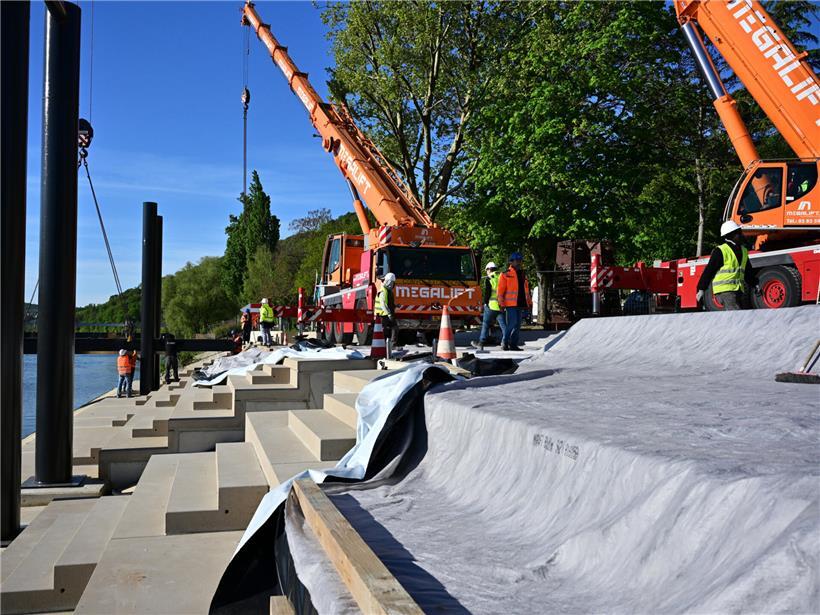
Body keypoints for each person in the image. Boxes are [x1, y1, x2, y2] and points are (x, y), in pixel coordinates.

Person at [697, 220, 758, 310]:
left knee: (741, 315)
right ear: (730, 235)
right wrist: (701, 289)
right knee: (735, 315)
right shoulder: (720, 251)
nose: (741, 235)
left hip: (738, 290)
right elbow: (709, 270)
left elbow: (748, 272)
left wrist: (755, 284)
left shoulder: (743, 251)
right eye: (738, 233)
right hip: (725, 290)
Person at [496, 252, 532, 351]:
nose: (519, 262)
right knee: (512, 323)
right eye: (517, 260)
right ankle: (504, 342)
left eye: (520, 260)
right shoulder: (505, 274)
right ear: (511, 262)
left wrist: (529, 303)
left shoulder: (523, 274)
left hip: (521, 303)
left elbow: (526, 291)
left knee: (517, 325)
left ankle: (513, 344)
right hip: (510, 304)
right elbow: (500, 291)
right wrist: (501, 304)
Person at [472, 262, 506, 351]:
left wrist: (485, 303)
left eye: (487, 270)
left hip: (491, 305)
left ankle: (481, 342)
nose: (486, 272)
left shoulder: (489, 278)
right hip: (501, 305)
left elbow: (487, 292)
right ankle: (506, 342)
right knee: (503, 325)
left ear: (489, 269)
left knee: (485, 324)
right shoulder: (502, 277)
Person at [375, 272, 399, 348]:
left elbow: (389, 303)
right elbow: (383, 304)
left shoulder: (389, 291)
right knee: (383, 330)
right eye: (392, 282)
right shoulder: (383, 291)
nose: (393, 284)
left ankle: (392, 345)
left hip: (387, 314)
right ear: (388, 282)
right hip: (382, 315)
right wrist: (389, 314)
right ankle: (383, 346)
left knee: (395, 328)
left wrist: (395, 306)